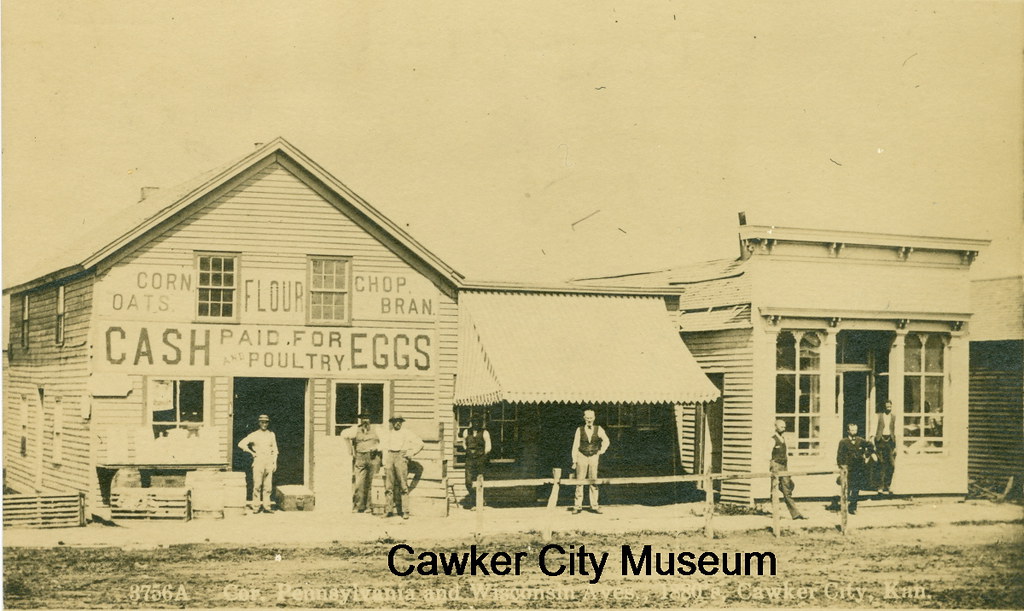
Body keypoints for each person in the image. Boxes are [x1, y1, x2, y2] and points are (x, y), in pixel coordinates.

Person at [382, 415, 423, 519]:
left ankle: (405, 511)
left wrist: (411, 453)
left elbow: (420, 443)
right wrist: (385, 461)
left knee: (403, 486)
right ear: (392, 423)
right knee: (388, 486)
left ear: (402, 422)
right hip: (390, 457)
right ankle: (389, 510)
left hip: (401, 457)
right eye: (395, 421)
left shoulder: (406, 433)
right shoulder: (388, 433)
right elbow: (383, 446)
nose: (397, 423)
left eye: (399, 421)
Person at [571, 409, 610, 514]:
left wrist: (601, 451)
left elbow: (606, 440)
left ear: (594, 418)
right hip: (581, 456)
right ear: (584, 418)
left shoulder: (599, 429)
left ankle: (594, 505)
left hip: (593, 456)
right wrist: (574, 460)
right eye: (587, 418)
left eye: (591, 418)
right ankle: (577, 506)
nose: (589, 420)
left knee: (593, 481)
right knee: (580, 481)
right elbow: (575, 445)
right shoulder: (579, 430)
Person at [237, 414, 278, 513]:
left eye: (266, 422)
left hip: (269, 461)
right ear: (259, 423)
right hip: (259, 461)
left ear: (268, 423)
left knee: (268, 486)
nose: (264, 424)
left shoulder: (271, 434)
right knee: (257, 485)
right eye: (262, 422)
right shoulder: (254, 434)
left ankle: (267, 507)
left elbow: (275, 449)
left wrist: (274, 462)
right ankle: (256, 506)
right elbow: (241, 444)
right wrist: (252, 453)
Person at [341, 413, 381, 513]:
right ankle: (358, 506)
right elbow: (344, 434)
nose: (365, 420)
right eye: (363, 418)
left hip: (373, 457)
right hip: (360, 457)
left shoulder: (377, 429)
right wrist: (350, 450)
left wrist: (377, 448)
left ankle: (369, 507)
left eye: (367, 418)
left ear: (370, 419)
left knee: (372, 483)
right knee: (359, 483)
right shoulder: (355, 429)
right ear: (361, 420)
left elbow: (384, 442)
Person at [769, 419, 806, 520]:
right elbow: (768, 454)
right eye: (781, 427)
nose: (783, 429)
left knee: (788, 487)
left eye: (784, 427)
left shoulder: (784, 439)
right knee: (774, 488)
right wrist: (772, 466)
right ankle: (775, 512)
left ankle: (795, 514)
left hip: (784, 465)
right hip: (776, 465)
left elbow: (786, 453)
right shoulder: (773, 439)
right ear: (776, 427)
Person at [836, 423, 874, 514]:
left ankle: (853, 507)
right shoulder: (843, 442)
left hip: (858, 468)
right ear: (848, 431)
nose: (854, 432)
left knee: (856, 488)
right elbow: (839, 456)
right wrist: (842, 466)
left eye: (855, 430)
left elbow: (870, 446)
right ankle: (845, 507)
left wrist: (866, 455)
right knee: (847, 488)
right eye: (852, 430)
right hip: (848, 469)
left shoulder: (860, 440)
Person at [460, 415, 491, 507]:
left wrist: (481, 455)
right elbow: (464, 444)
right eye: (474, 422)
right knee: (468, 481)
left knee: (480, 480)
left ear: (480, 423)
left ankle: (479, 502)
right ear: (471, 423)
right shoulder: (466, 432)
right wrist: (468, 451)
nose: (476, 424)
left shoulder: (485, 433)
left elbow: (488, 447)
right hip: (469, 459)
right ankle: (474, 499)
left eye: (478, 422)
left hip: (480, 459)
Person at [873, 400, 898, 494]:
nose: (888, 408)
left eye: (890, 407)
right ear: (884, 407)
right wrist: (873, 442)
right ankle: (880, 487)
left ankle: (888, 485)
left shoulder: (894, 417)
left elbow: (896, 432)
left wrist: (896, 446)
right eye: (887, 407)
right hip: (880, 441)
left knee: (891, 465)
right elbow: (874, 429)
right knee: (881, 464)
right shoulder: (879, 416)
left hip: (890, 442)